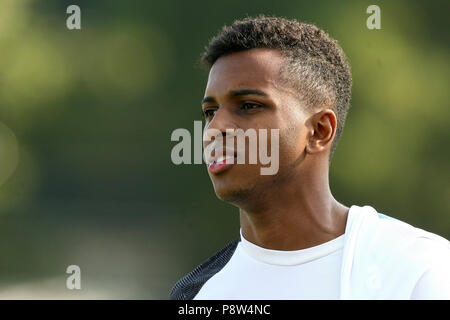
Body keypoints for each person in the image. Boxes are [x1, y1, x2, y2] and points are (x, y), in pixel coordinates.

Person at [170, 15, 450, 300]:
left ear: (318, 130)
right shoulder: (195, 294)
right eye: (210, 112)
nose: (214, 129)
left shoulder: (419, 270)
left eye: (248, 106)